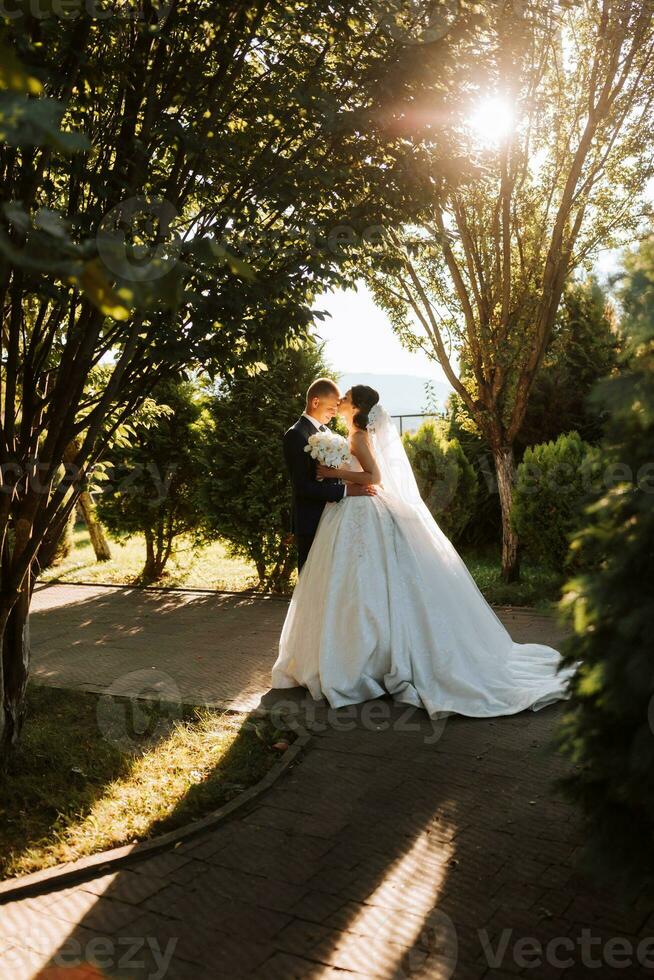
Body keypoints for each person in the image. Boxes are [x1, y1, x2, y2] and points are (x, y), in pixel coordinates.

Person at [272, 385, 579, 719]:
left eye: (344, 399)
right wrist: (343, 482)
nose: (340, 403)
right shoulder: (328, 433)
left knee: (363, 583)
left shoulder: (357, 435)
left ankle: (360, 661)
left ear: (356, 406)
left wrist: (337, 475)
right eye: (337, 399)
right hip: (341, 513)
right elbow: (321, 481)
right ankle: (343, 656)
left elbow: (373, 475)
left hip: (356, 511)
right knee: (346, 587)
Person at [283, 377, 376, 572]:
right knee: (312, 583)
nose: (335, 412)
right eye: (332, 407)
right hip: (311, 521)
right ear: (315, 402)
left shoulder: (326, 432)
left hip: (334, 519)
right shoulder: (296, 435)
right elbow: (302, 487)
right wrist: (346, 490)